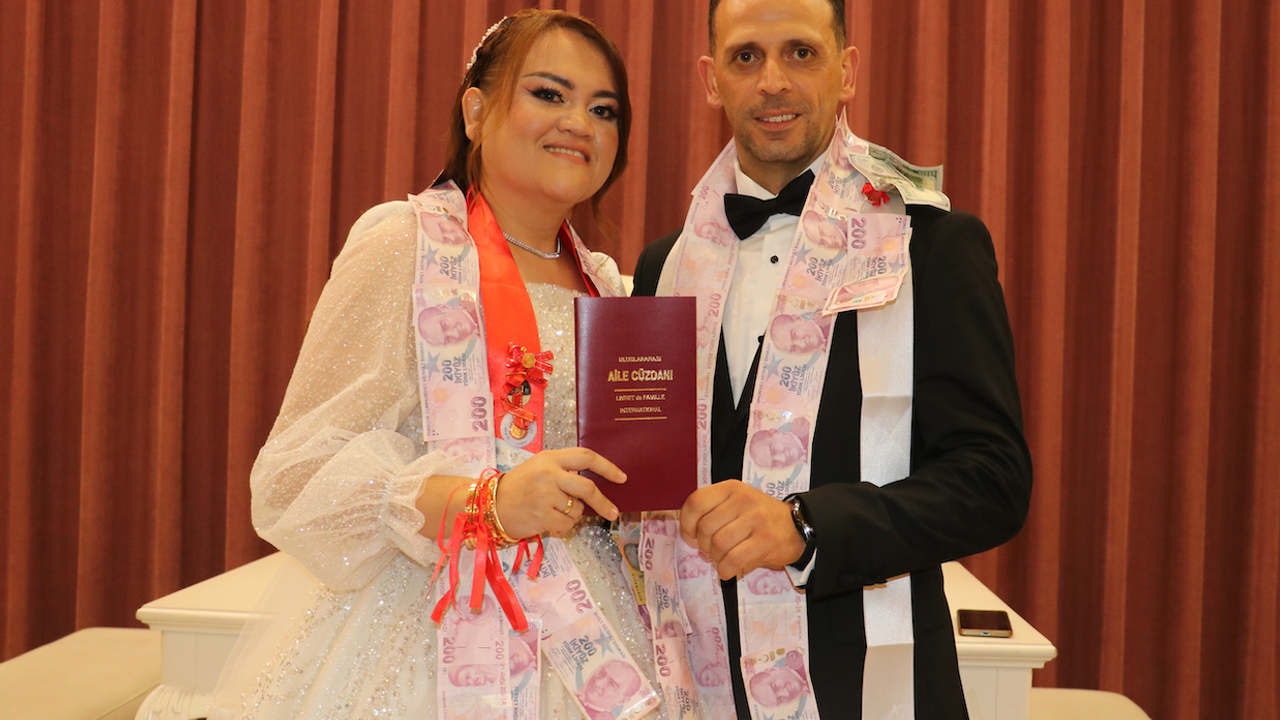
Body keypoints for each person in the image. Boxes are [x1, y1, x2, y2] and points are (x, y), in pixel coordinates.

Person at [210, 10, 670, 720]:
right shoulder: (405, 246)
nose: (579, 122)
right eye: (549, 94)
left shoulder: (610, 290)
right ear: (476, 111)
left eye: (603, 109)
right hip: (427, 622)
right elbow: (293, 476)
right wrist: (483, 502)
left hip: (587, 624)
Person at [631, 1, 1032, 718]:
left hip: (868, 689)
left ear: (846, 71)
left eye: (801, 52)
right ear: (711, 80)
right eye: (746, 56)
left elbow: (991, 482)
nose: (773, 81)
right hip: (694, 685)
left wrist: (808, 526)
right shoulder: (663, 268)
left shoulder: (932, 244)